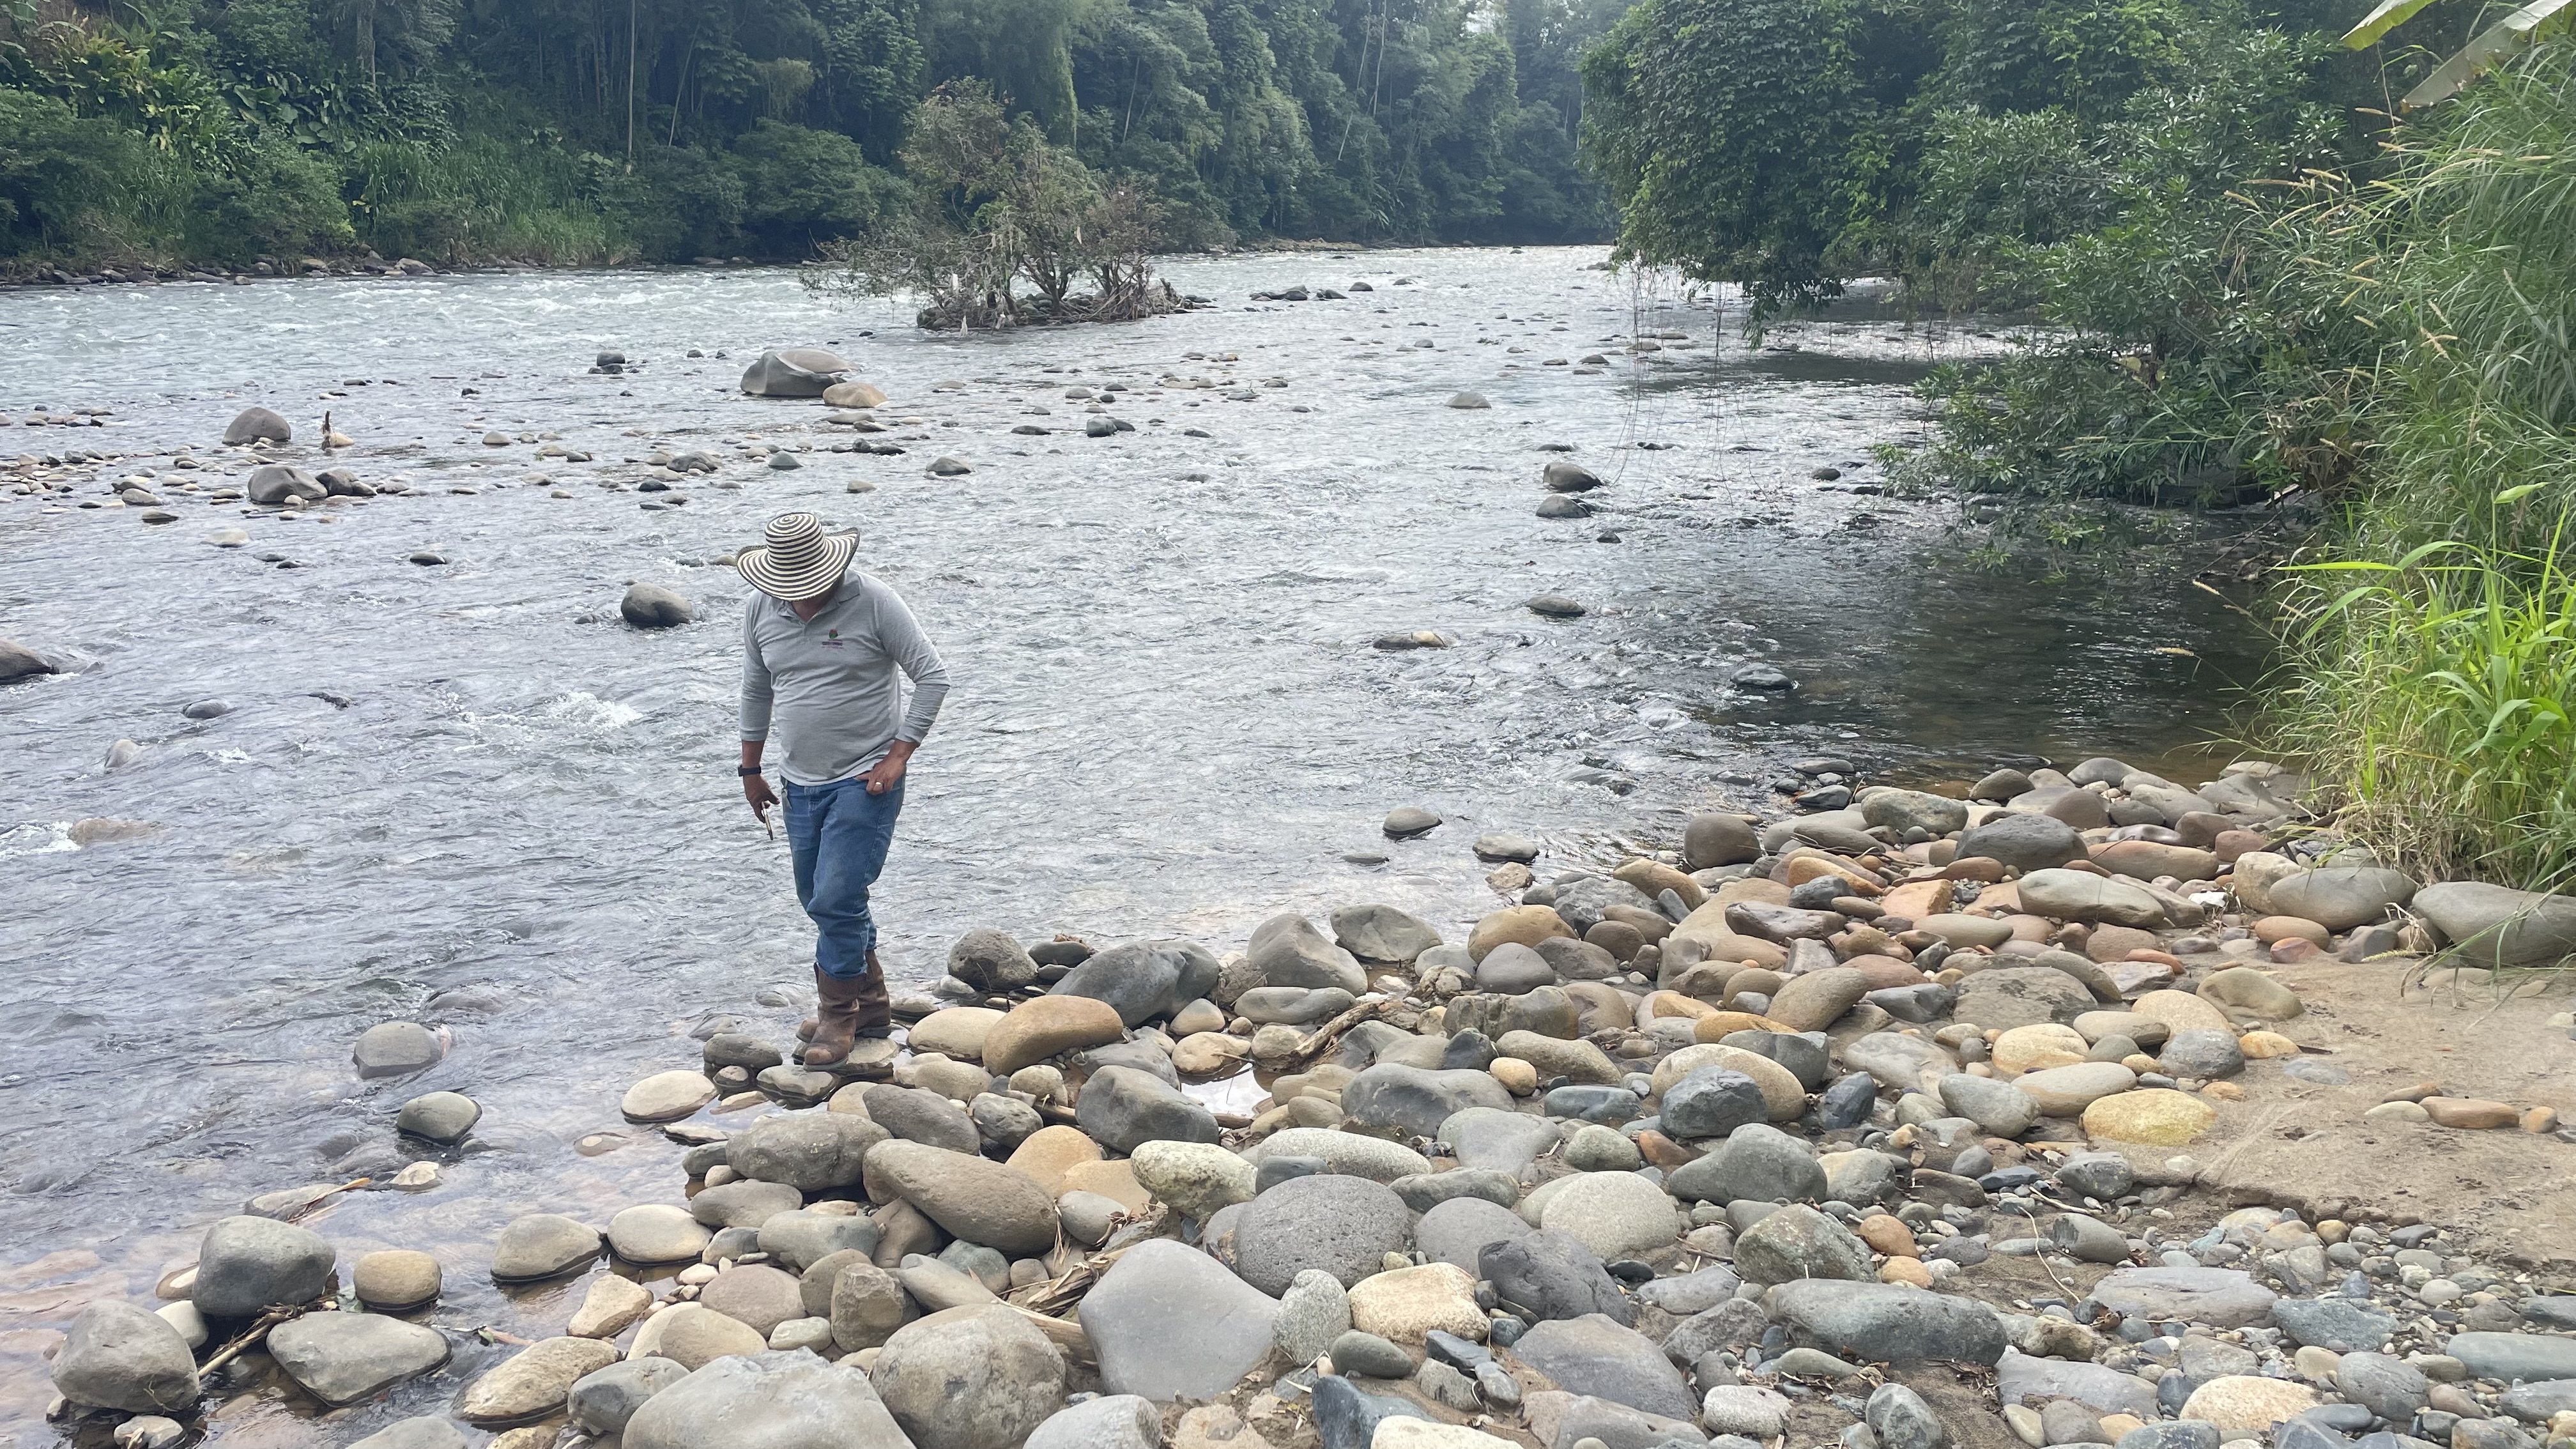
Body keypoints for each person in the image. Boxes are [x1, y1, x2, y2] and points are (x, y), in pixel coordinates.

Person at [735, 511, 951, 1066]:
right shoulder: (761, 608)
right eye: (790, 587)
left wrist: (898, 756)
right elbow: (757, 690)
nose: (801, 596)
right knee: (819, 898)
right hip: (798, 781)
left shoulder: (874, 600)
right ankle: (871, 1005)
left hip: (864, 780)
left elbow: (933, 677)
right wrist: (750, 770)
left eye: (810, 584)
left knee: (836, 898)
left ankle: (838, 1014)